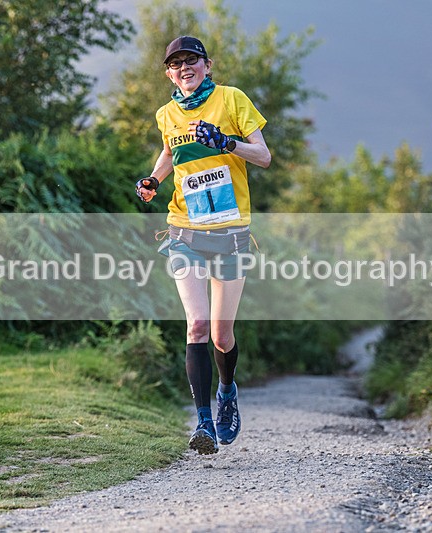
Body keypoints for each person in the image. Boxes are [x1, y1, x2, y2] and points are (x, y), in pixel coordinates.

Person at [136, 36, 271, 455]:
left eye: (191, 60)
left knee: (221, 333)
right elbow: (168, 153)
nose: (184, 68)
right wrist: (154, 180)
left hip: (230, 235)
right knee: (196, 324)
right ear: (168, 74)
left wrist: (225, 142)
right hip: (184, 232)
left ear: (207, 65)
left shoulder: (232, 100)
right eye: (176, 64)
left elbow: (263, 156)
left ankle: (227, 389)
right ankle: (203, 424)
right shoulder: (166, 114)